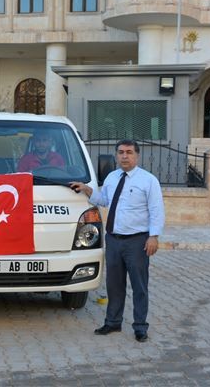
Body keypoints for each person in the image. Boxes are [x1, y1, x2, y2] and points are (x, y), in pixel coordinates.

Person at [70, 139, 164, 342]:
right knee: (114, 285)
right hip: (113, 240)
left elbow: (156, 210)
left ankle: (140, 327)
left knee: (139, 286)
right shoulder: (112, 177)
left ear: (137, 155)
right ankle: (113, 322)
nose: (124, 156)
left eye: (129, 152)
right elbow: (104, 200)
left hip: (137, 241)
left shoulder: (148, 180)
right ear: (116, 155)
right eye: (121, 152)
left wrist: (154, 237)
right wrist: (87, 189)